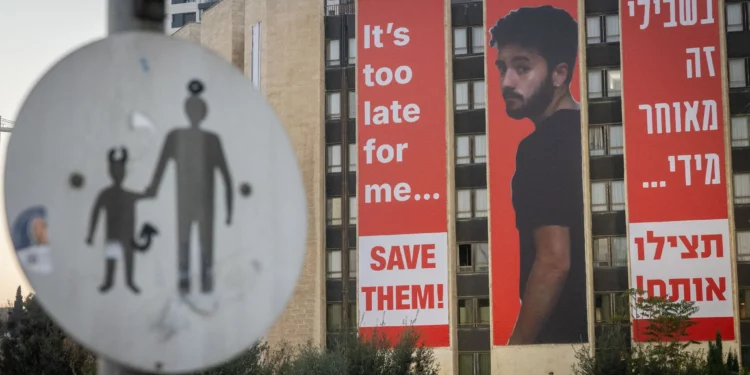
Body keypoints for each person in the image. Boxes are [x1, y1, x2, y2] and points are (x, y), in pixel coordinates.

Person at [489, 5, 587, 345]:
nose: (506, 82)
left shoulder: (542, 146)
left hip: (559, 339)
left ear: (560, 74)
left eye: (522, 68)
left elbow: (553, 260)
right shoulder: (586, 132)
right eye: (502, 68)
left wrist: (517, 350)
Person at [146, 79, 233, 315]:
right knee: (185, 245)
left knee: (204, 248)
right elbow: (160, 168)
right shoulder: (176, 137)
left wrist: (229, 210)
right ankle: (186, 291)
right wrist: (151, 191)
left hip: (203, 204)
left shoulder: (210, 139)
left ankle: (203, 291)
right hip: (188, 202)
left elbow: (226, 176)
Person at [87, 148, 153, 294]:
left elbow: (144, 196)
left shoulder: (128, 195)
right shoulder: (106, 194)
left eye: (120, 170)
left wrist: (149, 193)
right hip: (113, 233)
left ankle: (130, 282)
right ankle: (109, 282)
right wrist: (91, 235)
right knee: (111, 258)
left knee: (129, 258)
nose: (118, 174)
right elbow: (95, 214)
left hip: (128, 235)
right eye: (114, 170)